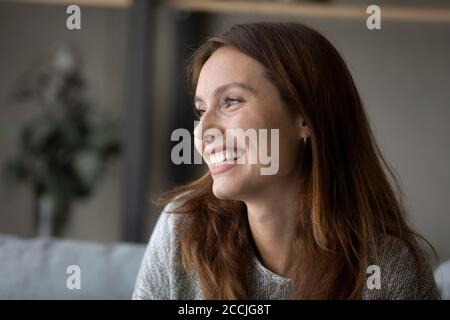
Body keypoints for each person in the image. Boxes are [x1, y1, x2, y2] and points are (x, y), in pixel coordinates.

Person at [132, 22, 440, 300]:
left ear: (305, 117)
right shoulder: (182, 228)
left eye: (231, 101)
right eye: (201, 111)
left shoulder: (392, 273)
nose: (204, 131)